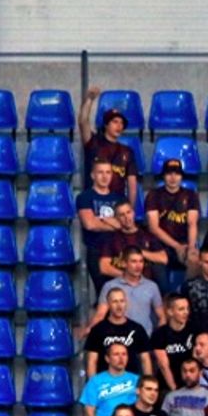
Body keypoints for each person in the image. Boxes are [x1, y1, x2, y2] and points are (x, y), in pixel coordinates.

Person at [146, 159, 201, 294]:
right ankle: (166, 300)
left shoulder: (190, 195)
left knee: (195, 260)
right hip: (159, 246)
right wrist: (176, 246)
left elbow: (192, 223)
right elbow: (153, 228)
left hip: (184, 244)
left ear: (181, 176)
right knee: (162, 283)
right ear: (164, 176)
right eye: (169, 174)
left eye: (177, 174)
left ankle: (184, 296)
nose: (173, 177)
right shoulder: (154, 195)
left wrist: (191, 247)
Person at [76, 159, 131, 288]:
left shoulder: (120, 198)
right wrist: (115, 222)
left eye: (108, 172)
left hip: (119, 250)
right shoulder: (85, 197)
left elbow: (126, 224)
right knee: (105, 290)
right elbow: (89, 224)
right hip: (97, 249)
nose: (105, 176)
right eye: (100, 172)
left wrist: (101, 219)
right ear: (93, 175)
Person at [77, 90, 139, 204]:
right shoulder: (93, 142)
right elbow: (83, 122)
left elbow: (132, 182)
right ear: (106, 124)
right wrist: (89, 99)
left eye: (121, 123)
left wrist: (130, 208)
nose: (119, 126)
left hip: (117, 204)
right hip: (93, 202)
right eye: (115, 122)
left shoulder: (127, 151)